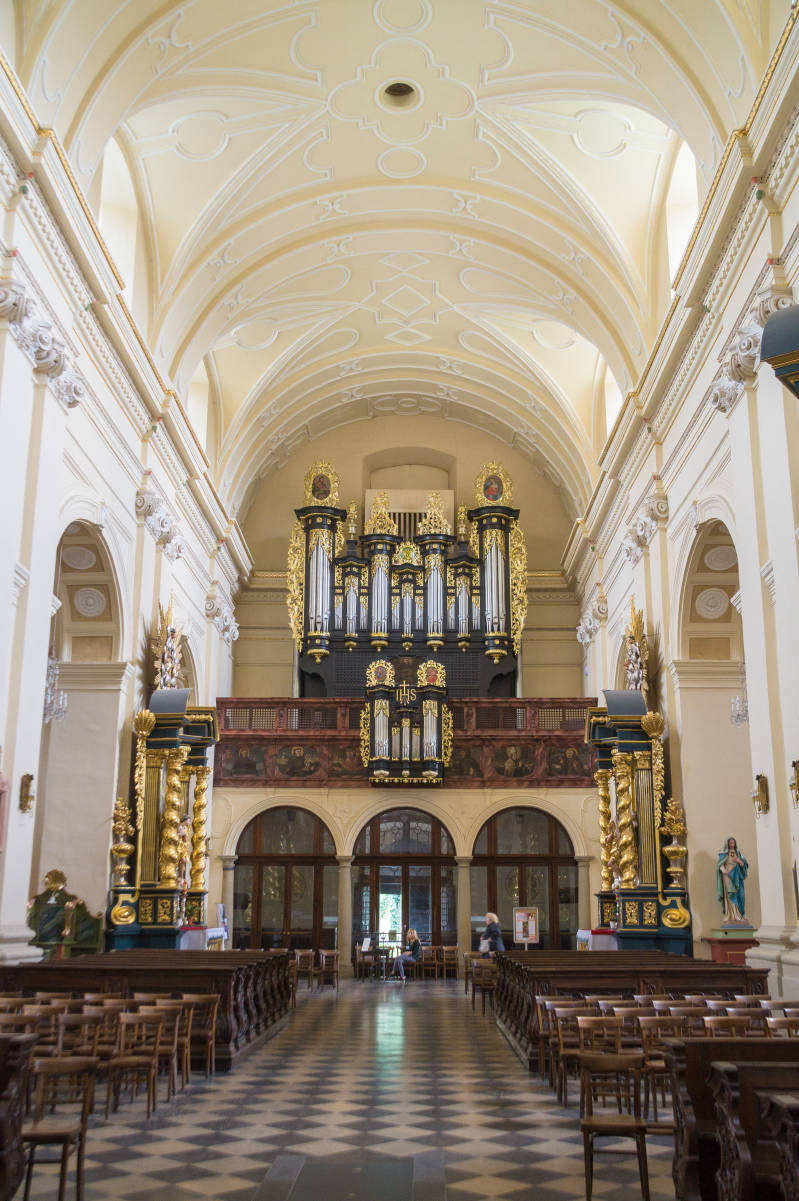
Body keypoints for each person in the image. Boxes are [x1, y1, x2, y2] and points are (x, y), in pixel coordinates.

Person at [717, 836, 749, 924]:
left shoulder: (738, 853)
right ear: (727, 844)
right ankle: (731, 916)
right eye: (730, 843)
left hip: (736, 876)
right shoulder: (723, 853)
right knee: (730, 894)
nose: (732, 844)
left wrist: (739, 861)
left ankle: (738, 915)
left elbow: (744, 865)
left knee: (740, 894)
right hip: (728, 876)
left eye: (733, 842)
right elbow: (720, 865)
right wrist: (724, 870)